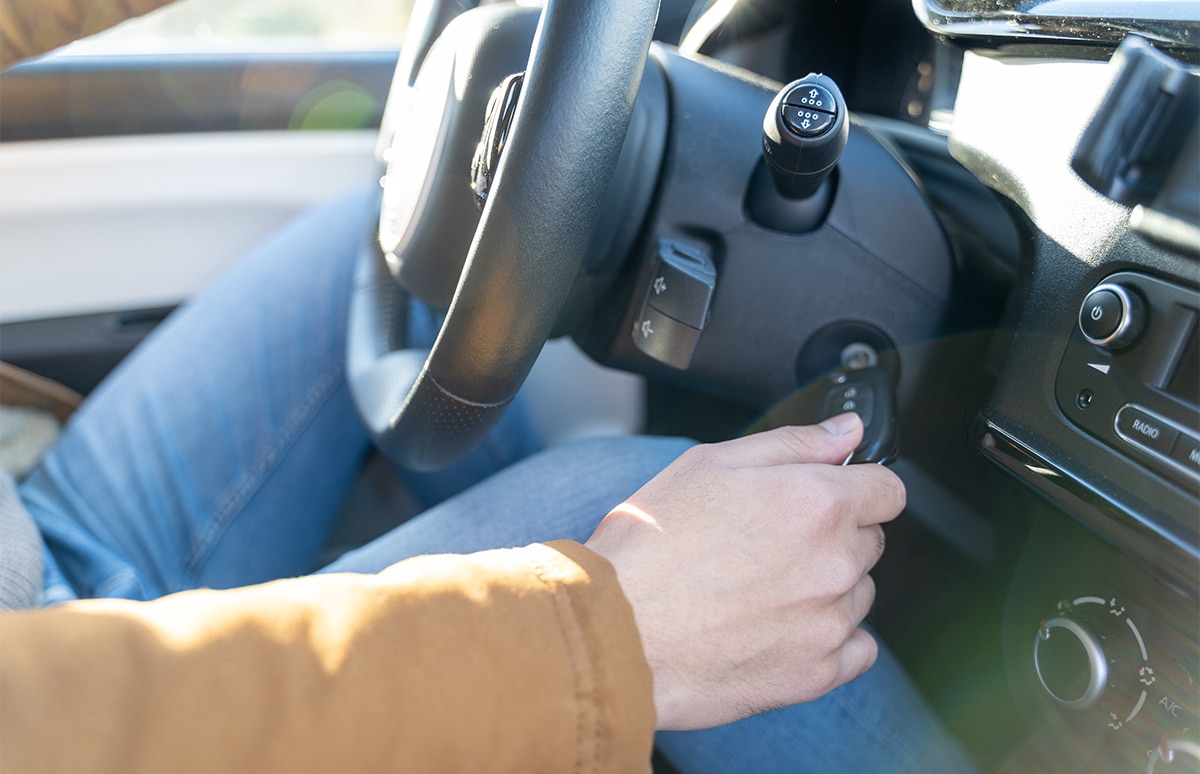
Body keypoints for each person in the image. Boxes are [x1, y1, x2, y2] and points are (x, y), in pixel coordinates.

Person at [0, 4, 976, 772]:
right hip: (82, 722)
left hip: (40, 550)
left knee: (385, 241)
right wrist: (601, 639)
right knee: (639, 509)